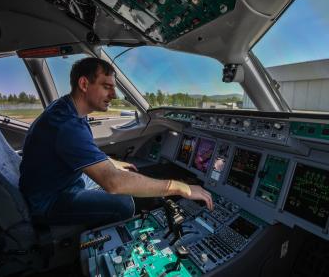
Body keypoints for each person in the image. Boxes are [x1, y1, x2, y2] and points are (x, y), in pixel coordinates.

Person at [19, 57, 213, 226]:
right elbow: (113, 184)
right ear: (84, 84)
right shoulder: (67, 125)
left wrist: (113, 163)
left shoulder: (67, 108)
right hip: (48, 201)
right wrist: (180, 188)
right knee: (123, 203)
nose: (114, 95)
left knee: (128, 170)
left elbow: (83, 150)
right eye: (106, 87)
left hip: (59, 181)